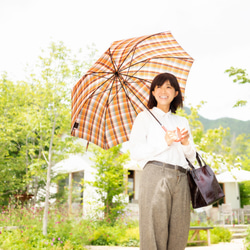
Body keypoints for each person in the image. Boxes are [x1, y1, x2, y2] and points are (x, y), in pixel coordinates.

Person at [129, 73, 196, 250]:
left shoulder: (181, 121)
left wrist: (185, 142)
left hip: (181, 177)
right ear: (152, 92)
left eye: (168, 87)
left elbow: (191, 157)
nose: (163, 91)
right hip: (155, 175)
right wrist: (164, 142)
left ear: (175, 93)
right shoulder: (144, 118)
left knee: (179, 231)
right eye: (159, 87)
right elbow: (135, 152)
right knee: (154, 230)